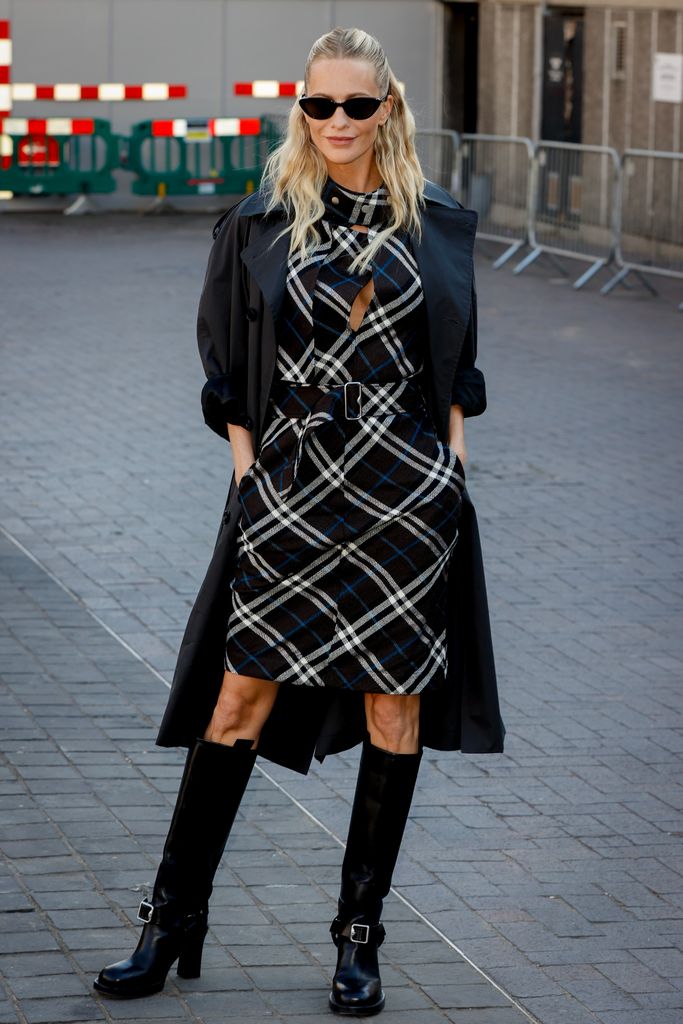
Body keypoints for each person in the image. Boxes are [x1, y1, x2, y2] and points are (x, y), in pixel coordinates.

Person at [94, 25, 505, 1017]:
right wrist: (248, 474)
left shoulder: (433, 224)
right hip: (291, 490)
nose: (335, 123)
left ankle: (357, 939)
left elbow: (454, 363)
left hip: (402, 501)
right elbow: (225, 370)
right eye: (317, 105)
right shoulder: (262, 221)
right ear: (301, 109)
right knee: (235, 701)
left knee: (390, 707)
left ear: (388, 109)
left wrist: (451, 461)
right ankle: (169, 918)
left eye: (355, 106)